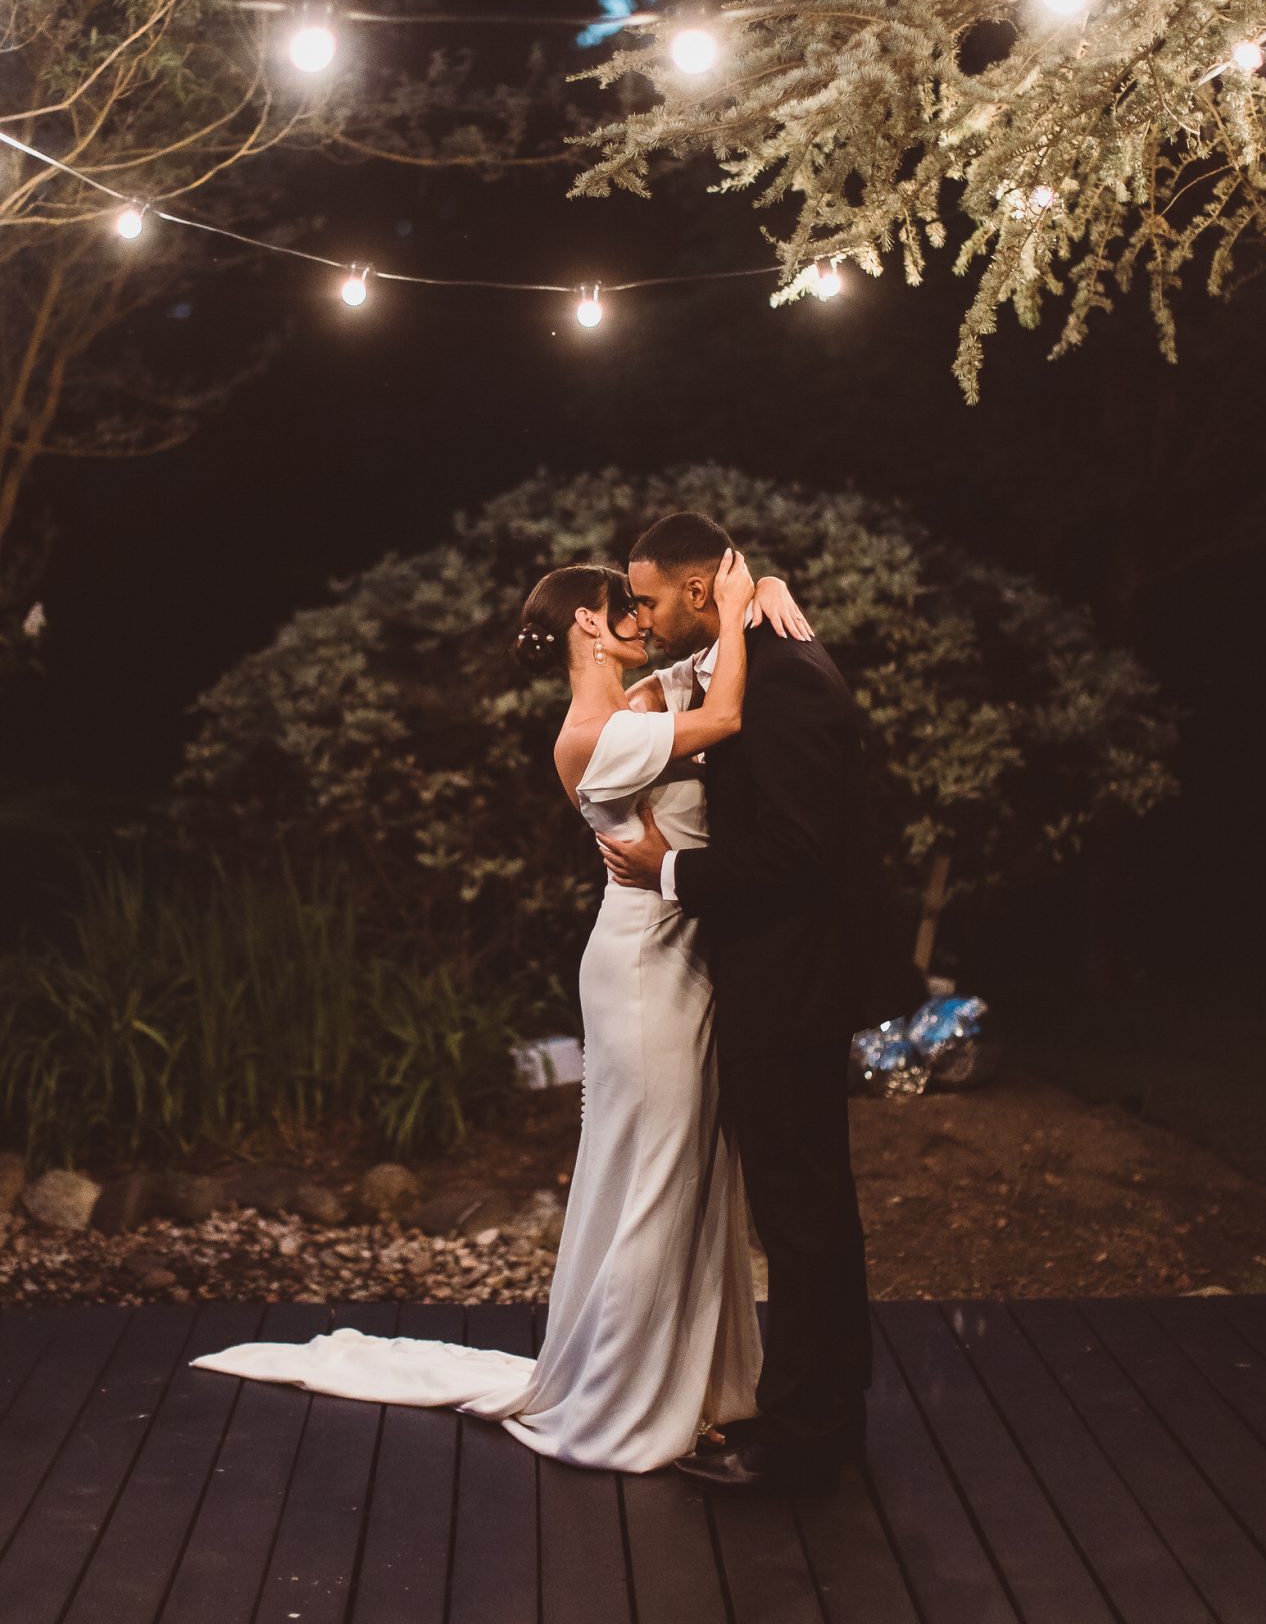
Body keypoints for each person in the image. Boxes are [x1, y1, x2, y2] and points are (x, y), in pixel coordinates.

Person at [190, 549, 811, 1476]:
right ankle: (625, 1398)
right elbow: (720, 711)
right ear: (590, 628)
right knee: (655, 1176)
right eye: (625, 608)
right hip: (645, 967)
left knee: (688, 1171)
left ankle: (700, 1387)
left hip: (681, 953)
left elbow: (695, 676)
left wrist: (756, 595)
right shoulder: (592, 734)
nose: (643, 617)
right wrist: (730, 611)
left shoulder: (635, 706)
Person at [599, 509, 926, 1496]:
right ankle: (823, 1412)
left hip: (788, 980)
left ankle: (800, 1440)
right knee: (809, 1207)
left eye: (650, 597)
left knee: (800, 1214)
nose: (642, 616)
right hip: (789, 977)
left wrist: (672, 869)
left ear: (700, 588)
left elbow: (796, 849)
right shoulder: (773, 654)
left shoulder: (782, 683)